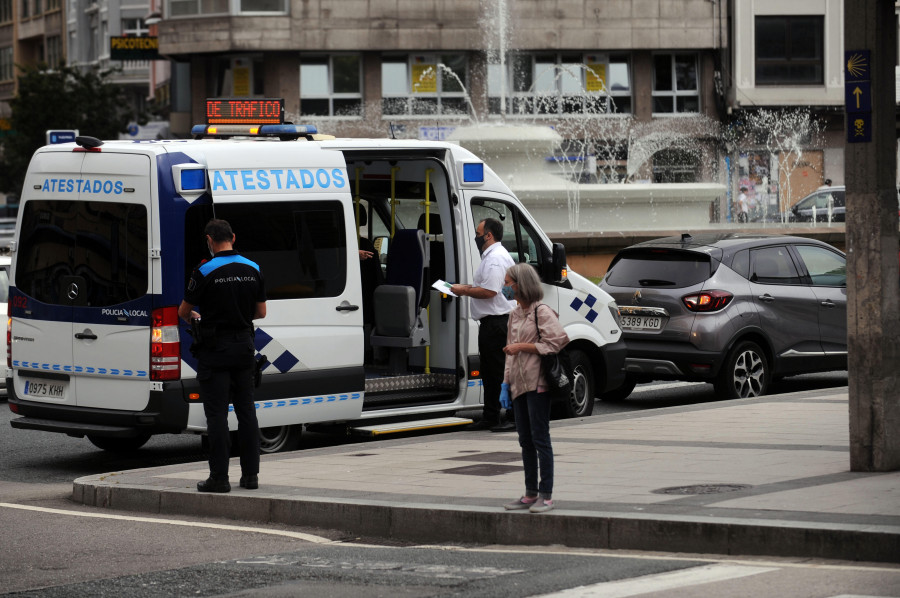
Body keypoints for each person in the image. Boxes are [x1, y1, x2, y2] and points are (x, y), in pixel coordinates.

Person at [178, 219, 267, 493]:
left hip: (215, 350)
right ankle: (250, 476)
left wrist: (198, 316)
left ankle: (219, 478)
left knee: (216, 415)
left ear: (209, 240)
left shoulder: (204, 270)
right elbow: (261, 312)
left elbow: (184, 311)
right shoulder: (254, 268)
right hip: (243, 347)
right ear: (233, 237)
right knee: (247, 412)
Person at [500, 263, 569, 514]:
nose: (505, 287)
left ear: (521, 284)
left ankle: (546, 495)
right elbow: (509, 353)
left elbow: (557, 341)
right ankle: (530, 493)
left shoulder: (542, 312)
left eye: (508, 283)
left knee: (540, 438)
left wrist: (523, 348)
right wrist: (505, 384)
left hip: (538, 382)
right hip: (518, 384)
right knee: (525, 440)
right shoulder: (514, 314)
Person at [450, 218, 516, 432]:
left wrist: (464, 291)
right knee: (490, 372)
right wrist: (465, 287)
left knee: (499, 372)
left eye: (478, 233)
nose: (476, 237)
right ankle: (491, 416)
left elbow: (490, 291)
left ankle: (512, 417)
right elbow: (496, 289)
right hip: (495, 322)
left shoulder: (495, 259)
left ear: (488, 235)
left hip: (496, 323)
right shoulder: (495, 256)